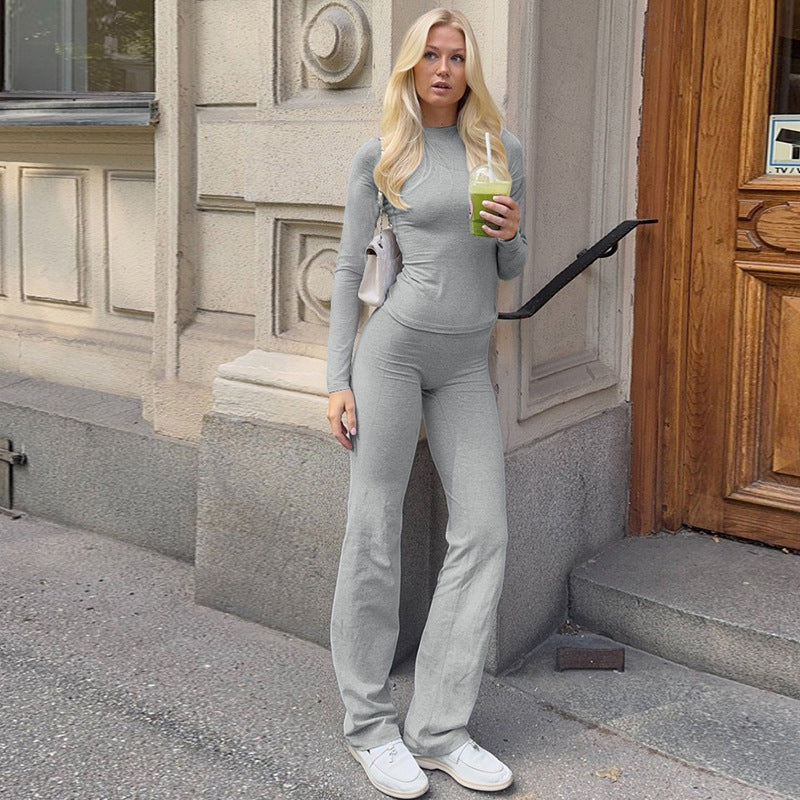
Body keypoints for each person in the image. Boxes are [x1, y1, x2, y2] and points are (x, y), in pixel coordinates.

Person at [325, 8, 527, 798]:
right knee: (373, 529)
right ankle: (370, 726)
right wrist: (337, 379)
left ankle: (439, 729)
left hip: (466, 364)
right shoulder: (383, 154)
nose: (444, 69)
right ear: (412, 65)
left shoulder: (501, 151)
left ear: (472, 69)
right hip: (394, 353)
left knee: (484, 530)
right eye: (431, 56)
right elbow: (350, 270)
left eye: (457, 56)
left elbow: (508, 267)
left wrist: (512, 232)